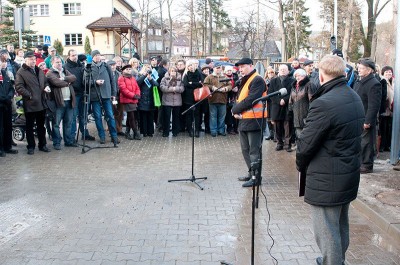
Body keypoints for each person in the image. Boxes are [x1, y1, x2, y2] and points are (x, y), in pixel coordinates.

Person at [296, 55, 365, 265]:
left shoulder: (324, 103)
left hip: (327, 177)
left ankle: (332, 261)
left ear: (322, 75)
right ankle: (336, 259)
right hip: (347, 174)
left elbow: (305, 145)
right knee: (340, 225)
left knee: (326, 230)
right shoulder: (353, 95)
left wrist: (300, 165)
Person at [231, 58, 267, 188]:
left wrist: (235, 109)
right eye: (239, 67)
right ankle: (251, 172)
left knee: (254, 150)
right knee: (245, 149)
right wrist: (236, 111)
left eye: (243, 66)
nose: (240, 69)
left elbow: (251, 99)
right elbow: (240, 98)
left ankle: (256, 177)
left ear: (251, 66)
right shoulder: (245, 79)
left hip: (255, 120)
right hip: (244, 120)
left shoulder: (257, 79)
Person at [15, 51, 50, 155]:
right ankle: (31, 146)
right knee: (29, 127)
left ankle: (42, 145)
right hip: (30, 104)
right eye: (31, 59)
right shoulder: (21, 72)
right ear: (25, 60)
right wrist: (30, 95)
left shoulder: (38, 70)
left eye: (34, 59)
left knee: (41, 126)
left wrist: (46, 86)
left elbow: (45, 81)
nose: (33, 61)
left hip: (41, 102)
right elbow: (19, 87)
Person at [85, 50, 119, 145]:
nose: (97, 57)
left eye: (99, 55)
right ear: (92, 57)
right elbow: (85, 82)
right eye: (95, 55)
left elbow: (112, 81)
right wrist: (95, 82)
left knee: (110, 116)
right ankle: (102, 136)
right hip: (95, 96)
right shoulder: (88, 67)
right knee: (98, 117)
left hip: (106, 95)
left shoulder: (106, 66)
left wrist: (113, 94)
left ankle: (114, 136)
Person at [353, 58, 382, 174]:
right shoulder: (360, 81)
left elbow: (374, 105)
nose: (358, 70)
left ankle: (367, 164)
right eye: (358, 68)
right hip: (358, 117)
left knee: (367, 142)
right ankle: (360, 162)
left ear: (369, 70)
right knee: (361, 142)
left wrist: (368, 121)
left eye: (361, 68)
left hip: (366, 118)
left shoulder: (374, 84)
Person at [46, 56, 77, 150]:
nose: (59, 64)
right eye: (57, 62)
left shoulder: (64, 71)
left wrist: (64, 78)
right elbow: (56, 83)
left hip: (69, 101)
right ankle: (57, 142)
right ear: (52, 63)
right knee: (56, 124)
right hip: (58, 102)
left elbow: (74, 77)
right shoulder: (50, 73)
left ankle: (68, 141)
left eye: (60, 62)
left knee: (68, 123)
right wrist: (67, 82)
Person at [64, 49, 95, 142]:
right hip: (73, 95)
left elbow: (85, 78)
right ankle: (72, 137)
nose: (75, 57)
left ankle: (85, 134)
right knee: (73, 117)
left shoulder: (81, 65)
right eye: (73, 55)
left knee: (83, 115)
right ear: (68, 56)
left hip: (83, 93)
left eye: (76, 55)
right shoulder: (66, 67)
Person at [269, 64, 294, 151]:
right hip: (276, 106)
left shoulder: (292, 81)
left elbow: (292, 93)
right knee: (277, 126)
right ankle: (279, 143)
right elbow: (270, 94)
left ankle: (288, 144)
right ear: (278, 71)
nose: (283, 71)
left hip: (287, 106)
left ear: (288, 71)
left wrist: (285, 100)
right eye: (281, 69)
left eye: (285, 69)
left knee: (287, 126)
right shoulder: (273, 81)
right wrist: (278, 100)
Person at [203, 63, 232, 137]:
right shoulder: (209, 77)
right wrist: (212, 87)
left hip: (223, 100)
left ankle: (221, 130)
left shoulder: (225, 77)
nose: (218, 69)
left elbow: (230, 85)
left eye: (219, 68)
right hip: (212, 100)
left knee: (222, 117)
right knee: (213, 116)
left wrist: (225, 89)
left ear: (221, 69)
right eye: (217, 68)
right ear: (214, 68)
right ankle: (213, 131)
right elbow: (205, 85)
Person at [118, 64, 142, 140]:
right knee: (132, 117)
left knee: (130, 116)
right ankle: (135, 132)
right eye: (127, 69)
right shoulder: (121, 78)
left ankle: (127, 132)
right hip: (127, 100)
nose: (129, 70)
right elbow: (123, 90)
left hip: (134, 100)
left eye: (129, 69)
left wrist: (137, 94)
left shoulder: (133, 78)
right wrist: (133, 95)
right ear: (123, 71)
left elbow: (137, 87)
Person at [0, 58, 18, 157]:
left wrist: (10, 96)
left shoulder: (4, 74)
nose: (3, 64)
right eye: (1, 62)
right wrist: (4, 98)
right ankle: (0, 148)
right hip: (1, 104)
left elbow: (11, 87)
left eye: (3, 62)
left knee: (8, 126)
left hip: (7, 105)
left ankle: (8, 147)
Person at [288, 68, 314, 137]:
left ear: (304, 76)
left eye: (299, 75)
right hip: (296, 114)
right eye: (296, 76)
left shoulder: (309, 85)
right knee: (298, 133)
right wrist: (290, 110)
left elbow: (312, 100)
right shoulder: (294, 86)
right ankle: (299, 146)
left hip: (306, 114)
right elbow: (291, 100)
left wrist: (311, 113)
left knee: (307, 135)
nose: (297, 77)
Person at [160, 66, 184, 137]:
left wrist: (175, 88)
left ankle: (175, 132)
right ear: (169, 71)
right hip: (167, 101)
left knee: (176, 117)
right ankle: (165, 132)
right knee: (166, 117)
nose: (173, 72)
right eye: (171, 71)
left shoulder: (180, 79)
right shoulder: (164, 78)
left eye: (174, 71)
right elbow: (162, 87)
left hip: (177, 101)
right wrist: (172, 89)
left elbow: (182, 88)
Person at [182, 59, 203, 137]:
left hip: (197, 96)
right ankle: (190, 130)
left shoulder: (199, 73)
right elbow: (186, 84)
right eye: (189, 65)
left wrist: (192, 83)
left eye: (192, 65)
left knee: (197, 114)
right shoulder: (186, 74)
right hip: (188, 97)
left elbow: (201, 84)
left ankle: (197, 130)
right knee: (189, 115)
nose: (191, 67)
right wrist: (196, 84)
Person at [137, 64, 158, 137]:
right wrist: (144, 76)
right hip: (143, 99)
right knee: (143, 117)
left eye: (149, 69)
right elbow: (137, 83)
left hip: (151, 99)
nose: (148, 71)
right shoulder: (140, 76)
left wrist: (151, 79)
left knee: (150, 117)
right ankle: (144, 132)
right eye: (146, 69)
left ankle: (150, 132)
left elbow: (156, 85)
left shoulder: (153, 76)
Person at [379, 66, 394, 152]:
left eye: (390, 72)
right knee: (383, 128)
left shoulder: (393, 82)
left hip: (391, 110)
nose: (389, 74)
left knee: (389, 128)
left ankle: (387, 145)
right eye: (386, 72)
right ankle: (382, 146)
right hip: (385, 109)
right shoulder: (383, 81)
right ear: (383, 73)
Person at [107, 60, 124, 136]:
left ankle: (119, 129)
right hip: (110, 96)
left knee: (120, 113)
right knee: (111, 114)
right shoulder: (106, 74)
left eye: (114, 65)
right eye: (111, 65)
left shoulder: (119, 74)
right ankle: (113, 130)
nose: (113, 66)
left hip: (119, 95)